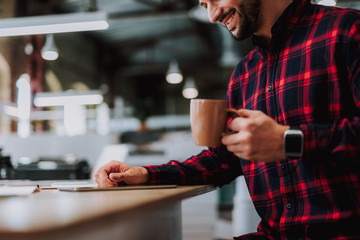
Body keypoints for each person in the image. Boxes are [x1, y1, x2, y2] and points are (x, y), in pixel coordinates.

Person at [95, 0, 360, 239]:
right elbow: (224, 160)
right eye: (203, 4)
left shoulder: (347, 30)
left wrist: (289, 141)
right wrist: (146, 174)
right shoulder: (244, 74)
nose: (212, 16)